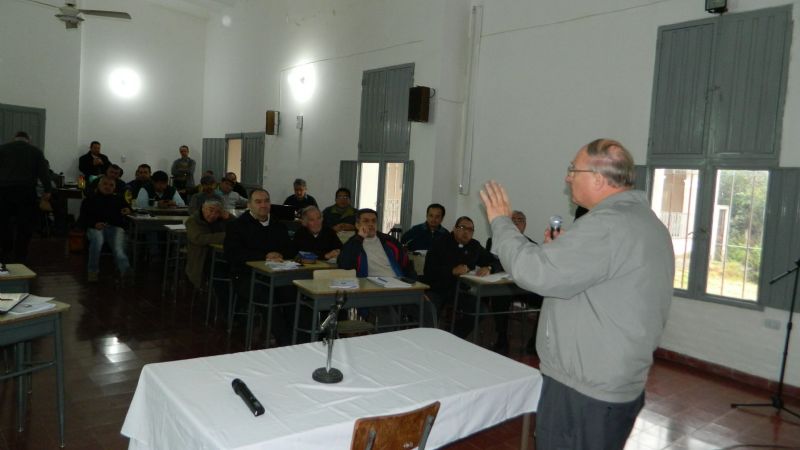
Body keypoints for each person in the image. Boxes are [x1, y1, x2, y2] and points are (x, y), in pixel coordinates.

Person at [479, 138, 674, 450]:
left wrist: (502, 224)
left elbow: (534, 273)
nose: (568, 176)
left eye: (573, 169)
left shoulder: (606, 225)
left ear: (598, 178)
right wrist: (560, 252)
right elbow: (591, 280)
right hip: (614, 383)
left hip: (584, 390)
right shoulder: (645, 222)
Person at [224, 189, 296, 345]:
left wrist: (280, 253)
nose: (263, 205)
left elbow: (290, 249)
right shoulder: (236, 226)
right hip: (246, 276)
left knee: (294, 293)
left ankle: (301, 339)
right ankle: (285, 342)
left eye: (266, 201)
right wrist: (265, 255)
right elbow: (233, 254)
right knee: (268, 296)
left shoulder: (279, 225)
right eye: (258, 201)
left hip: (277, 275)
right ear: (249, 205)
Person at [338, 208, 421, 326]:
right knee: (389, 317)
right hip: (373, 290)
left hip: (398, 286)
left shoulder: (389, 241)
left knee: (426, 308)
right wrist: (360, 238)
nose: (371, 224)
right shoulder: (353, 243)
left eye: (373, 221)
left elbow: (406, 264)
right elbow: (344, 265)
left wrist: (415, 285)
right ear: (357, 225)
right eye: (366, 221)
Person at [423, 216, 499, 338]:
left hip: (461, 290)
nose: (466, 232)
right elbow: (429, 271)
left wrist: (489, 268)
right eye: (463, 228)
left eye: (470, 230)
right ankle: (430, 341)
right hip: (438, 288)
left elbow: (495, 261)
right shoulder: (440, 243)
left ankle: (454, 336)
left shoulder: (474, 246)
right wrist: (451, 271)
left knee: (480, 310)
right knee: (430, 312)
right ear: (455, 228)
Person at [485, 210, 543, 354]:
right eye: (513, 220)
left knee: (545, 299)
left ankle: (534, 342)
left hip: (525, 286)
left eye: (520, 220)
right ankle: (502, 338)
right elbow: (493, 262)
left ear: (525, 224)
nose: (517, 222)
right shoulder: (495, 241)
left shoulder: (532, 245)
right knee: (500, 297)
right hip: (505, 284)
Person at [0, 131, 52, 263]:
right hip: (26, 192)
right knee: (25, 225)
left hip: (4, 191)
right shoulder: (35, 151)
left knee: (4, 223)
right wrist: (48, 190)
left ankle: (6, 251)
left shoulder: (3, 149)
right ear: (29, 140)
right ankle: (20, 255)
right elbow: (44, 173)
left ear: (14, 138)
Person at [78, 176, 132, 283]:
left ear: (115, 188)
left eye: (111, 185)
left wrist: (128, 210)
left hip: (115, 227)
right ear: (99, 185)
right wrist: (94, 224)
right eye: (105, 184)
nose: (108, 187)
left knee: (119, 249)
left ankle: (125, 270)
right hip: (96, 228)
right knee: (97, 242)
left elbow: (128, 210)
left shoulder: (119, 199)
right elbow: (82, 220)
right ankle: (92, 272)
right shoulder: (89, 200)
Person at [185, 200, 232, 289]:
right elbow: (198, 238)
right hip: (202, 258)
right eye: (211, 210)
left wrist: (229, 217)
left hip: (221, 255)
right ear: (203, 208)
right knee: (221, 274)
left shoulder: (220, 219)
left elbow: (239, 229)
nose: (213, 215)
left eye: (218, 212)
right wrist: (225, 236)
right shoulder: (193, 220)